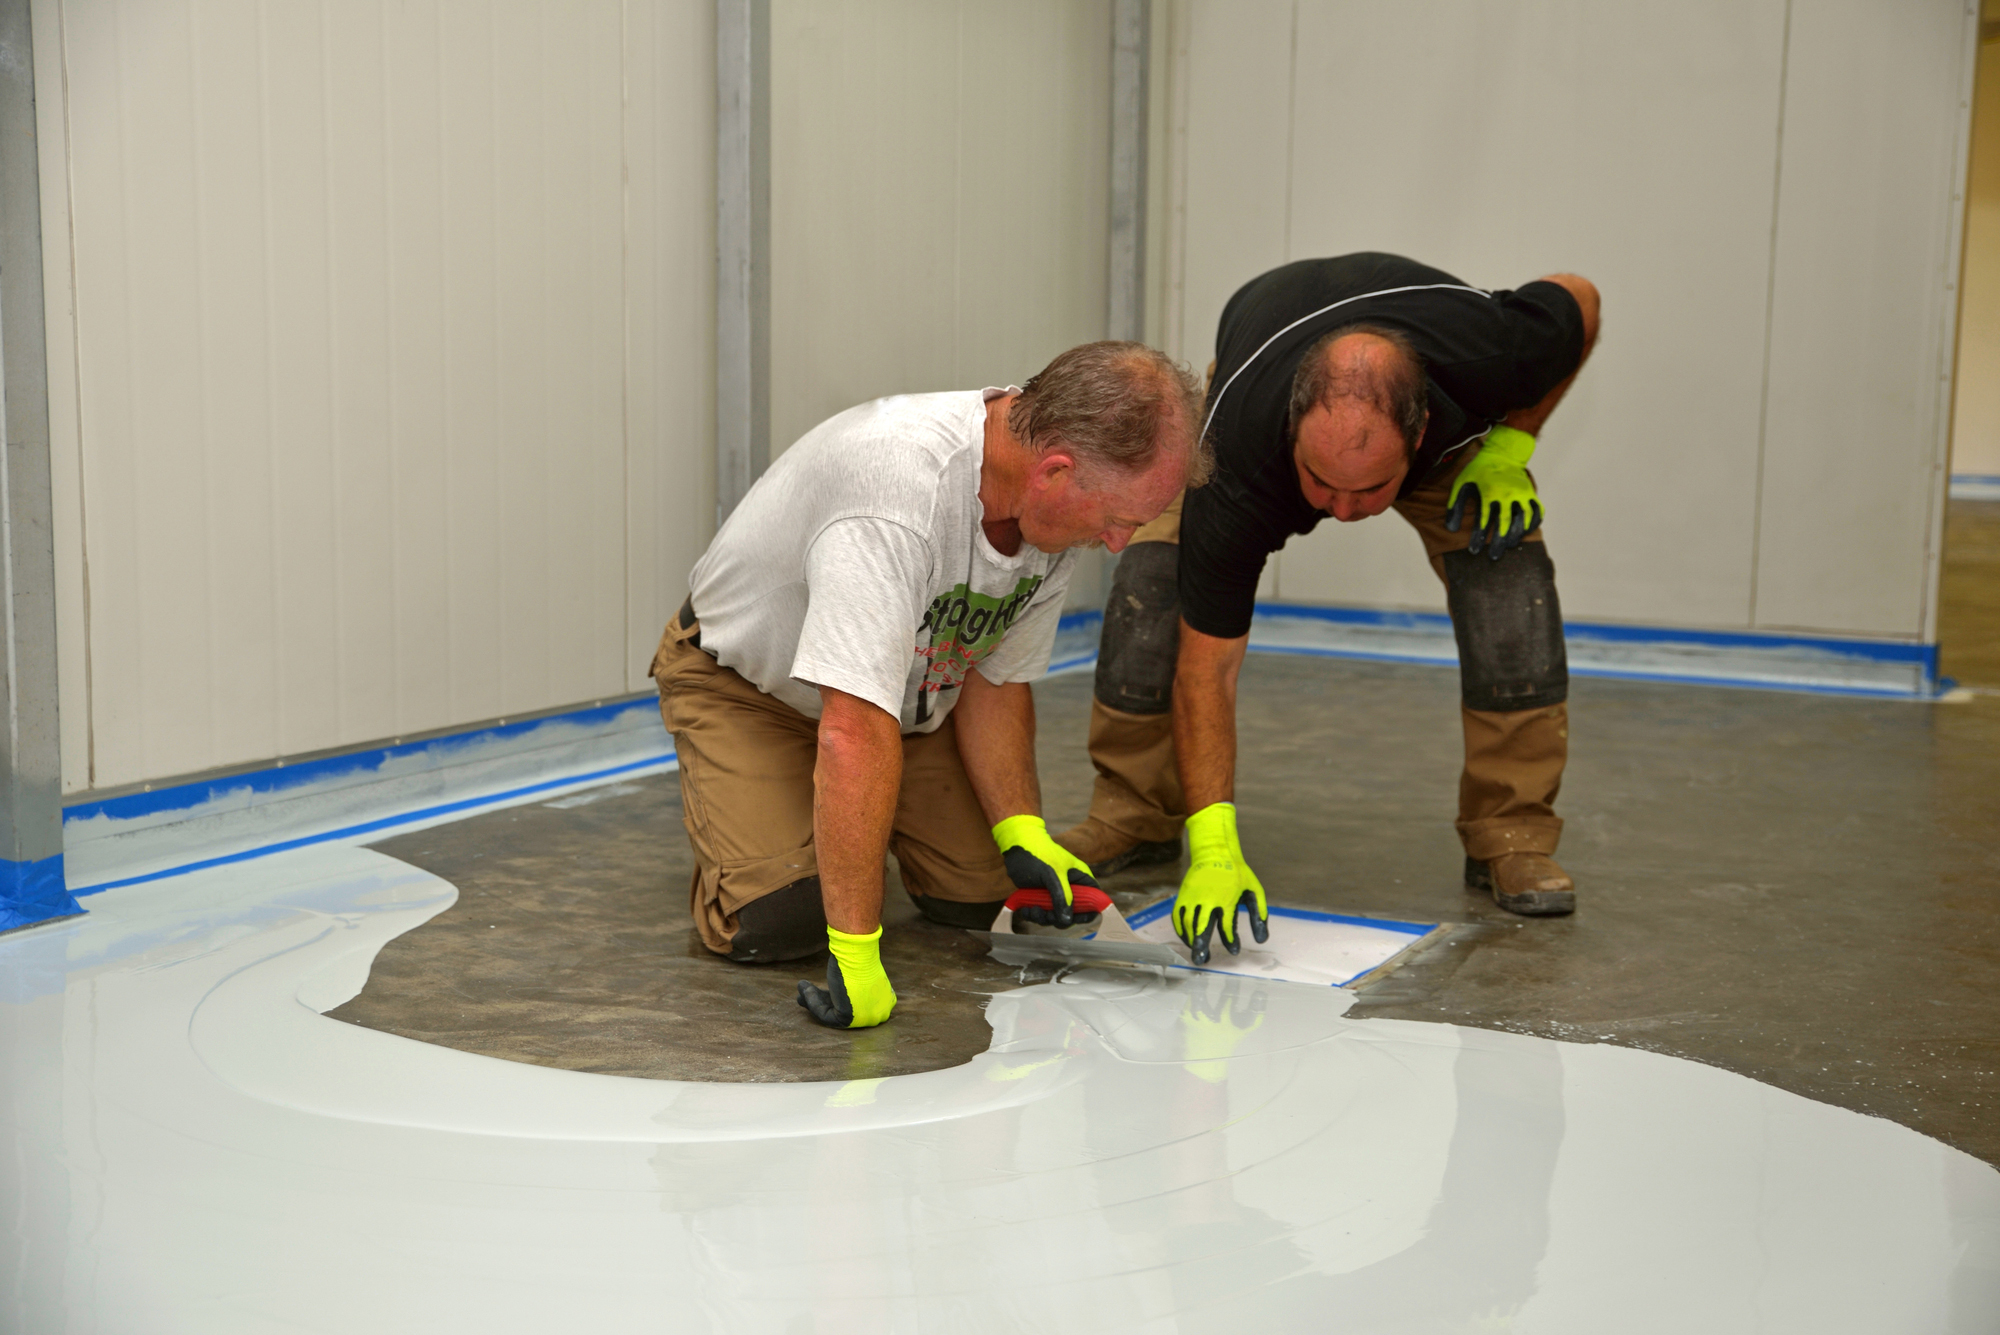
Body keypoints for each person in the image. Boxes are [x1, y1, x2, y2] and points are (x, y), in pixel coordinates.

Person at [1055, 253, 1601, 962]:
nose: (1343, 512)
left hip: (1452, 441)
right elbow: (1208, 667)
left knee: (1509, 586)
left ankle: (1514, 833)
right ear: (1293, 430)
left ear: (1421, 428)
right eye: (1322, 484)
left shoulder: (1493, 348)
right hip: (1253, 399)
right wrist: (1215, 844)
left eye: (1370, 489)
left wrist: (1512, 440)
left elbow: (1580, 299)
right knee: (1155, 580)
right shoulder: (1241, 451)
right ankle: (1134, 811)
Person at [651, 342, 1207, 1029]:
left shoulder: (1050, 513)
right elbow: (852, 729)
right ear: (1055, 471)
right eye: (1118, 519)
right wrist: (855, 953)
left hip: (908, 696)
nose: (1119, 541)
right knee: (783, 917)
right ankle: (776, 823)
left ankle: (842, 824)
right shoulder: (895, 492)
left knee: (986, 897)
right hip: (748, 687)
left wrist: (1021, 828)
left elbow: (994, 676)